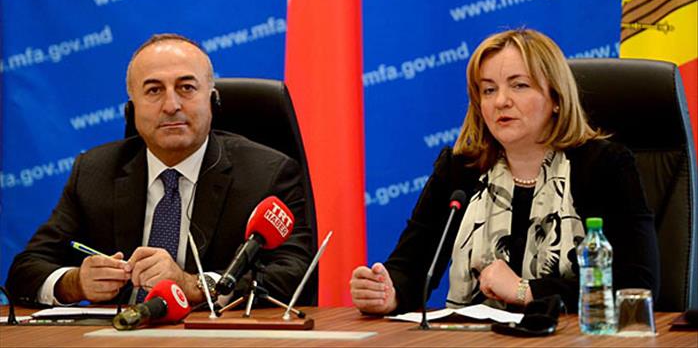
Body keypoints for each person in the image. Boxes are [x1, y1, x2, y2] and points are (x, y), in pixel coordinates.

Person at [350, 29, 659, 314]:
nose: (500, 101)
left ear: (556, 98)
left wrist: (527, 291)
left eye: (519, 85)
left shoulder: (604, 166)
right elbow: (412, 267)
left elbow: (637, 284)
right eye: (488, 90)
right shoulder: (460, 171)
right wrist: (387, 292)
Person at [7, 34, 312, 306]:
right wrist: (75, 283)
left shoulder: (267, 173)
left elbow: (295, 273)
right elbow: (26, 269)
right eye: (154, 90)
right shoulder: (94, 172)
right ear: (132, 109)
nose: (171, 105)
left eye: (186, 88)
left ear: (212, 101)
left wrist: (193, 286)